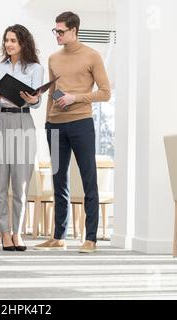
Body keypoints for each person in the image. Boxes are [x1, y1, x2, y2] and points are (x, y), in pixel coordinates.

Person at [34, 12, 111, 252]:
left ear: (74, 30)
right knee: (59, 181)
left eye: (61, 31)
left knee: (89, 179)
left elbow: (105, 92)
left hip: (81, 123)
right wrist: (47, 118)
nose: (57, 35)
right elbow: (52, 91)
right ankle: (59, 236)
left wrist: (75, 97)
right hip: (54, 125)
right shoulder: (53, 58)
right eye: (55, 31)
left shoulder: (92, 56)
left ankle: (90, 239)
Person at [0, 24, 43, 251]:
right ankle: (4, 233)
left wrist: (31, 99)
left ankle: (17, 232)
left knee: (21, 183)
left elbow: (37, 102)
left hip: (23, 120)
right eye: (6, 40)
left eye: (13, 41)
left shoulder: (35, 68)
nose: (8, 44)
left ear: (23, 43)